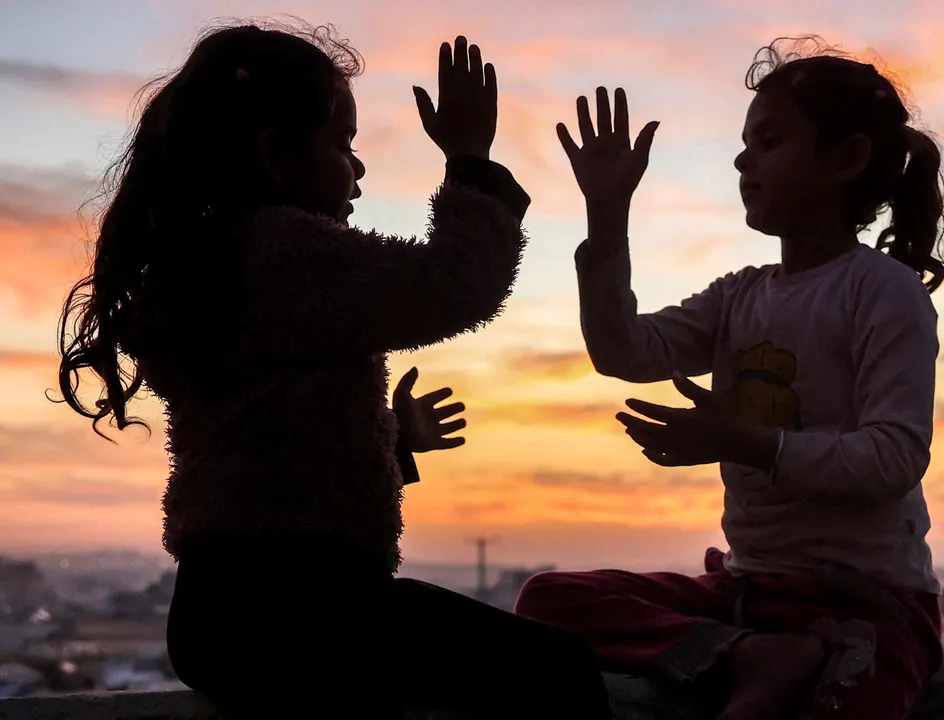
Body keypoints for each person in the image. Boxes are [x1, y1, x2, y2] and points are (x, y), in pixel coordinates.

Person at [56, 20, 611, 720]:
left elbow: (271, 438)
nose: (359, 169)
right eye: (344, 145)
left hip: (215, 611)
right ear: (276, 156)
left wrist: (392, 440)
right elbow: (454, 284)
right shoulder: (279, 250)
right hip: (303, 609)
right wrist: (470, 159)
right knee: (558, 672)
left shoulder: (205, 265)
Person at [516, 36, 944, 720]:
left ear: (846, 160)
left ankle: (760, 661)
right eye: (747, 142)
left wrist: (750, 441)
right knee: (547, 600)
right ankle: (746, 655)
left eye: (770, 141)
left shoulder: (883, 291)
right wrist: (607, 213)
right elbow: (624, 350)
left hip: (867, 602)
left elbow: (894, 457)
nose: (744, 160)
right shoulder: (740, 295)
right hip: (749, 597)